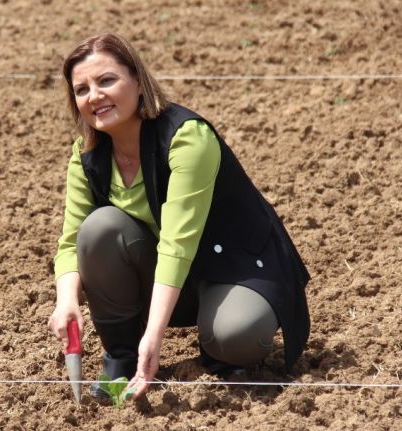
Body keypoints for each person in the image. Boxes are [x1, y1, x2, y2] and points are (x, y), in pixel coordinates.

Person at [47, 33, 310, 399]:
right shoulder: (87, 155)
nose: (94, 96)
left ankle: (215, 355)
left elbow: (177, 243)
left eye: (107, 80)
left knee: (235, 337)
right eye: (82, 89)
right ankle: (122, 357)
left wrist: (154, 336)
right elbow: (71, 243)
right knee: (99, 229)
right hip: (175, 280)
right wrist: (67, 302)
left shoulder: (186, 138)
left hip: (237, 265)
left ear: (138, 81)